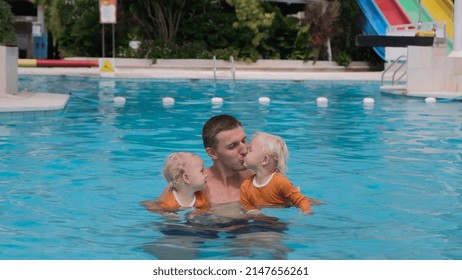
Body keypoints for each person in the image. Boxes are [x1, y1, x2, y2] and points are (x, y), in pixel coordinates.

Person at [240, 132, 313, 215]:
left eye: (250, 150)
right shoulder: (245, 186)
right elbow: (247, 206)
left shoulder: (280, 182)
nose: (245, 152)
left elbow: (301, 200)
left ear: (264, 160)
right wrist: (254, 212)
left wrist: (306, 212)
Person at [201, 114, 254, 206]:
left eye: (244, 141)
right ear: (212, 153)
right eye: (232, 146)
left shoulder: (258, 180)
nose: (245, 150)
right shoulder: (193, 185)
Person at [142, 152, 209, 212]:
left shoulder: (201, 198)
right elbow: (159, 210)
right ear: (186, 178)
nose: (206, 175)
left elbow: (206, 211)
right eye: (201, 171)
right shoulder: (169, 201)